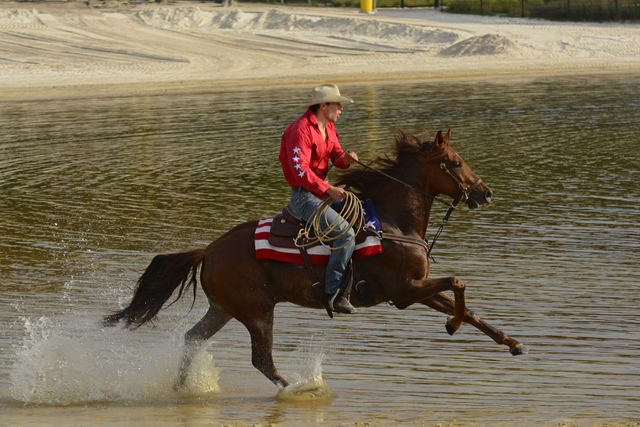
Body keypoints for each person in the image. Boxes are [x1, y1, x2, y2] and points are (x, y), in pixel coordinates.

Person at [278, 83, 360, 314]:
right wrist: (327, 189)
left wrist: (347, 159)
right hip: (304, 198)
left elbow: (336, 155)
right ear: (324, 105)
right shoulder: (300, 130)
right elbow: (300, 172)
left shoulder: (329, 128)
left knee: (362, 211)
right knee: (345, 232)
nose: (341, 108)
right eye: (338, 104)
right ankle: (333, 293)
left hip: (320, 192)